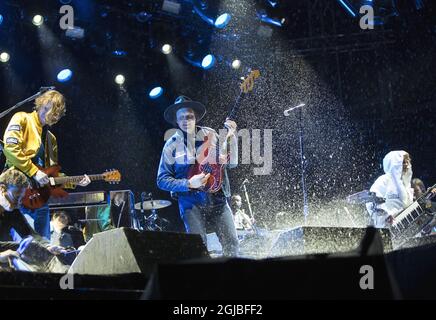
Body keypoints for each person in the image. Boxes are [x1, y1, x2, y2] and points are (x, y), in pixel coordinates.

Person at [157, 96, 239, 256]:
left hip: (218, 199)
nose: (186, 120)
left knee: (232, 244)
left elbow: (231, 163)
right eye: (181, 118)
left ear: (195, 118)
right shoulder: (171, 144)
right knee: (198, 250)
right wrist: (188, 183)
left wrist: (233, 136)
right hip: (190, 203)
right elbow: (161, 180)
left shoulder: (211, 134)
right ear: (176, 121)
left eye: (189, 116)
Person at [2, 90, 91, 240]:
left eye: (56, 112)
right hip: (16, 191)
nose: (51, 113)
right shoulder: (22, 118)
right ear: (41, 103)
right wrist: (33, 171)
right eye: (48, 107)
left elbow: (50, 175)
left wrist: (75, 181)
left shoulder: (51, 139)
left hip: (39, 201)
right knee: (21, 243)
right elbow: (10, 148)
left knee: (44, 244)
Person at [0, 168, 65, 268]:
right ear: (2, 189)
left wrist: (47, 246)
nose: (18, 204)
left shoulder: (12, 211)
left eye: (21, 199)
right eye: (16, 197)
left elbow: (29, 233)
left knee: (32, 247)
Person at [366, 151, 414, 228]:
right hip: (387, 228)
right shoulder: (384, 180)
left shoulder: (405, 184)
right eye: (404, 162)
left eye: (408, 162)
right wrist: (386, 216)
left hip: (405, 226)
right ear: (395, 163)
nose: (407, 165)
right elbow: (371, 201)